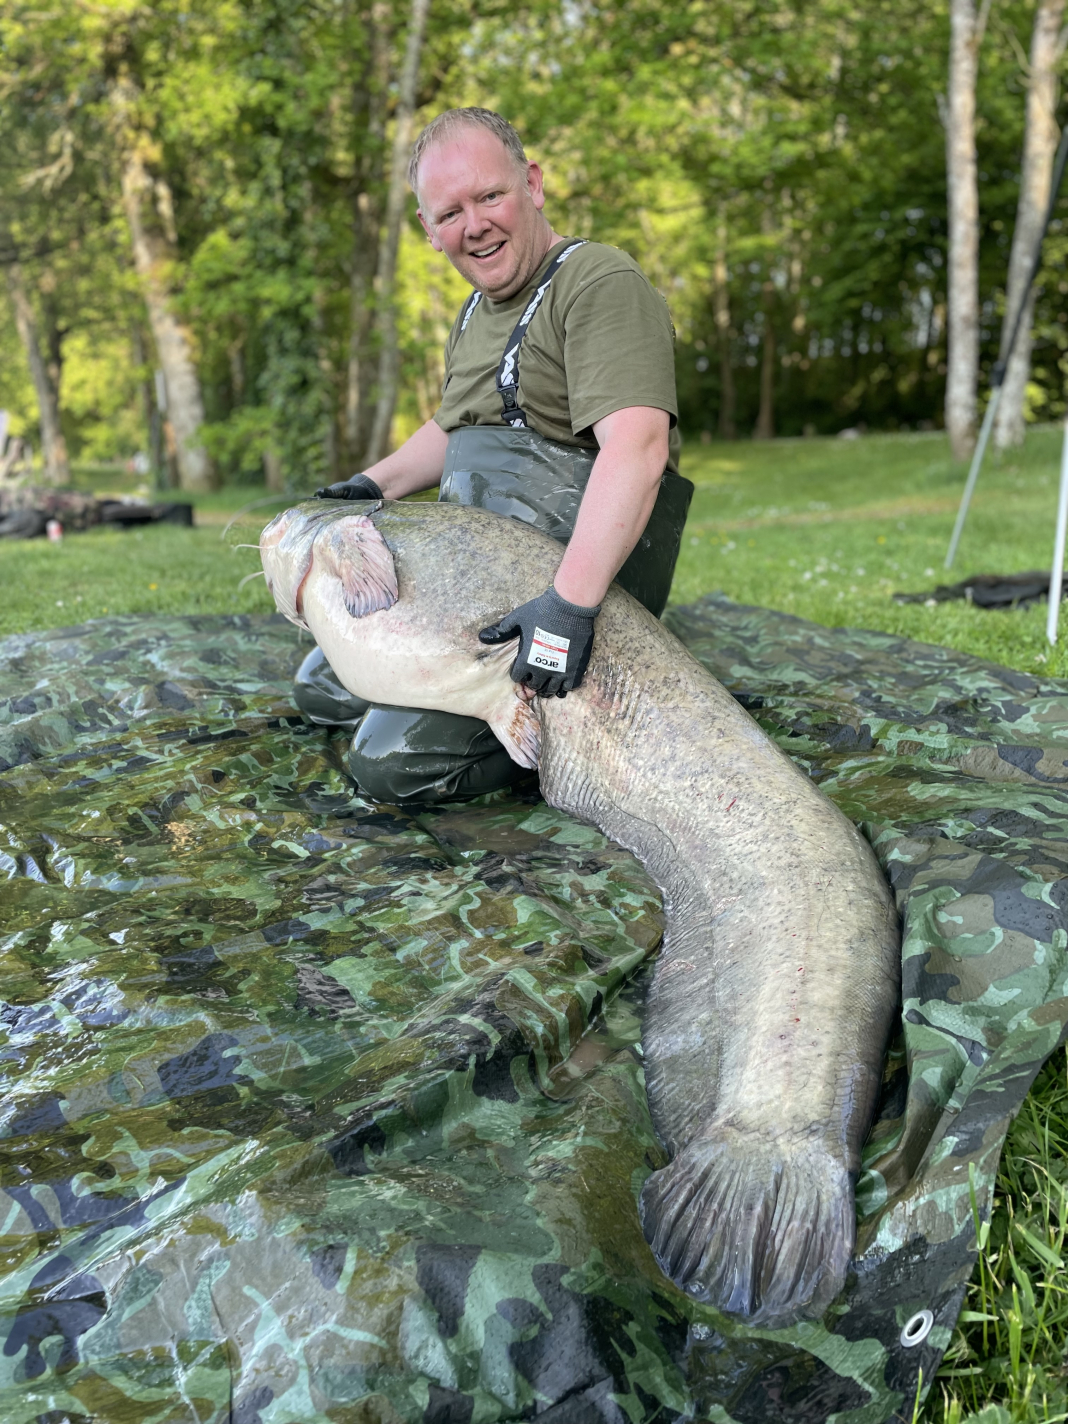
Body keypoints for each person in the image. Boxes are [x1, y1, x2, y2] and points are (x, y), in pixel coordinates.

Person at [294, 106, 693, 803]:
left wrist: (568, 609)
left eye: (489, 196)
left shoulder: (599, 283)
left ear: (531, 184)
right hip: (478, 585)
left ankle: (562, 728)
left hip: (576, 588)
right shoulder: (476, 310)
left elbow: (638, 449)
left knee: (393, 764)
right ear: (429, 230)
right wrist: (370, 484)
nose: (474, 225)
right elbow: (457, 427)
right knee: (324, 686)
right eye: (450, 213)